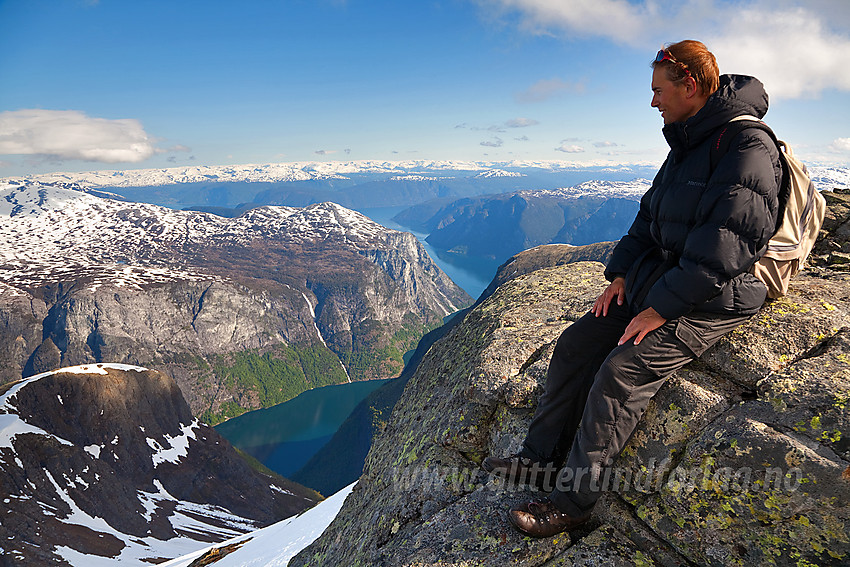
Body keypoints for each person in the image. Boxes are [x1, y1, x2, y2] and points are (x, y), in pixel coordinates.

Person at [482, 40, 783, 538]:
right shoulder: (689, 140)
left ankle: (572, 503)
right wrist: (620, 275)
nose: (652, 102)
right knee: (578, 343)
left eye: (659, 90)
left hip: (718, 293)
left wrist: (660, 308)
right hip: (667, 277)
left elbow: (726, 250)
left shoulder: (746, 147)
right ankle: (538, 459)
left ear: (690, 84)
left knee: (621, 372)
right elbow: (649, 217)